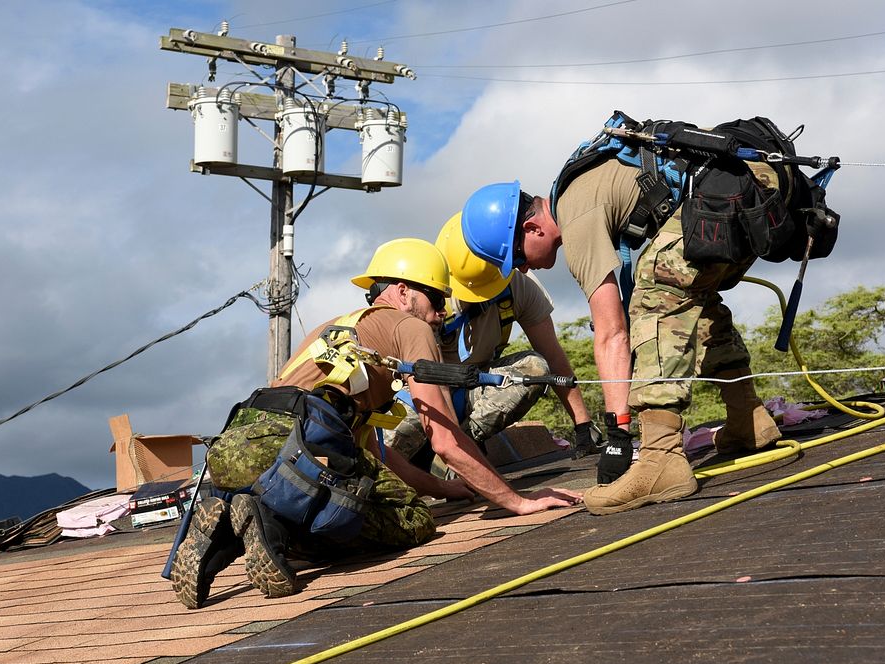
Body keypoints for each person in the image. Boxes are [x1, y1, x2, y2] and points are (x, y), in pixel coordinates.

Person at [171, 238, 582, 608]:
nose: (441, 313)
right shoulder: (410, 328)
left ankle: (229, 533)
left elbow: (376, 457)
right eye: (436, 298)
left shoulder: (334, 331)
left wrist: (451, 489)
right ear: (403, 292)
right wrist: (516, 501)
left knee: (367, 492)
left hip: (240, 445)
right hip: (294, 452)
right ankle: (278, 529)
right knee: (412, 521)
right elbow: (443, 438)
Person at [460, 115, 836, 515]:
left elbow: (611, 332)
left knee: (656, 288)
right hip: (757, 185)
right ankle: (748, 419)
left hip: (735, 190)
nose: (521, 270)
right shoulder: (581, 186)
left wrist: (619, 433)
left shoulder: (575, 213)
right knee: (695, 295)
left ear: (533, 228)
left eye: (515, 257)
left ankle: (661, 458)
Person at [388, 212, 604, 471]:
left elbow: (552, 355)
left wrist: (582, 424)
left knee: (534, 367)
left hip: (472, 390)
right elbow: (430, 380)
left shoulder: (518, 286)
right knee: (385, 463)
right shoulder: (428, 298)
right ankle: (436, 458)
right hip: (419, 396)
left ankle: (461, 452)